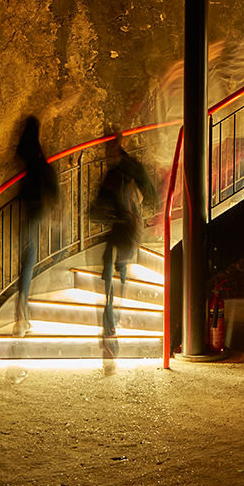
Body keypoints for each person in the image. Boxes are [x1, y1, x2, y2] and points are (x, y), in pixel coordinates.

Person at [92, 133, 156, 351]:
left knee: (110, 273)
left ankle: (110, 324)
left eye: (109, 147)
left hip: (121, 231)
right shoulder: (131, 167)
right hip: (131, 230)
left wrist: (110, 213)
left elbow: (95, 212)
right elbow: (150, 195)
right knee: (117, 270)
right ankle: (114, 317)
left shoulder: (115, 174)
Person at [14, 115, 59, 337]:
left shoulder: (30, 159)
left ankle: (22, 317)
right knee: (29, 259)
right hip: (36, 211)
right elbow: (53, 187)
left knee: (28, 258)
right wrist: (55, 208)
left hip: (28, 211)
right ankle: (21, 318)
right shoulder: (40, 161)